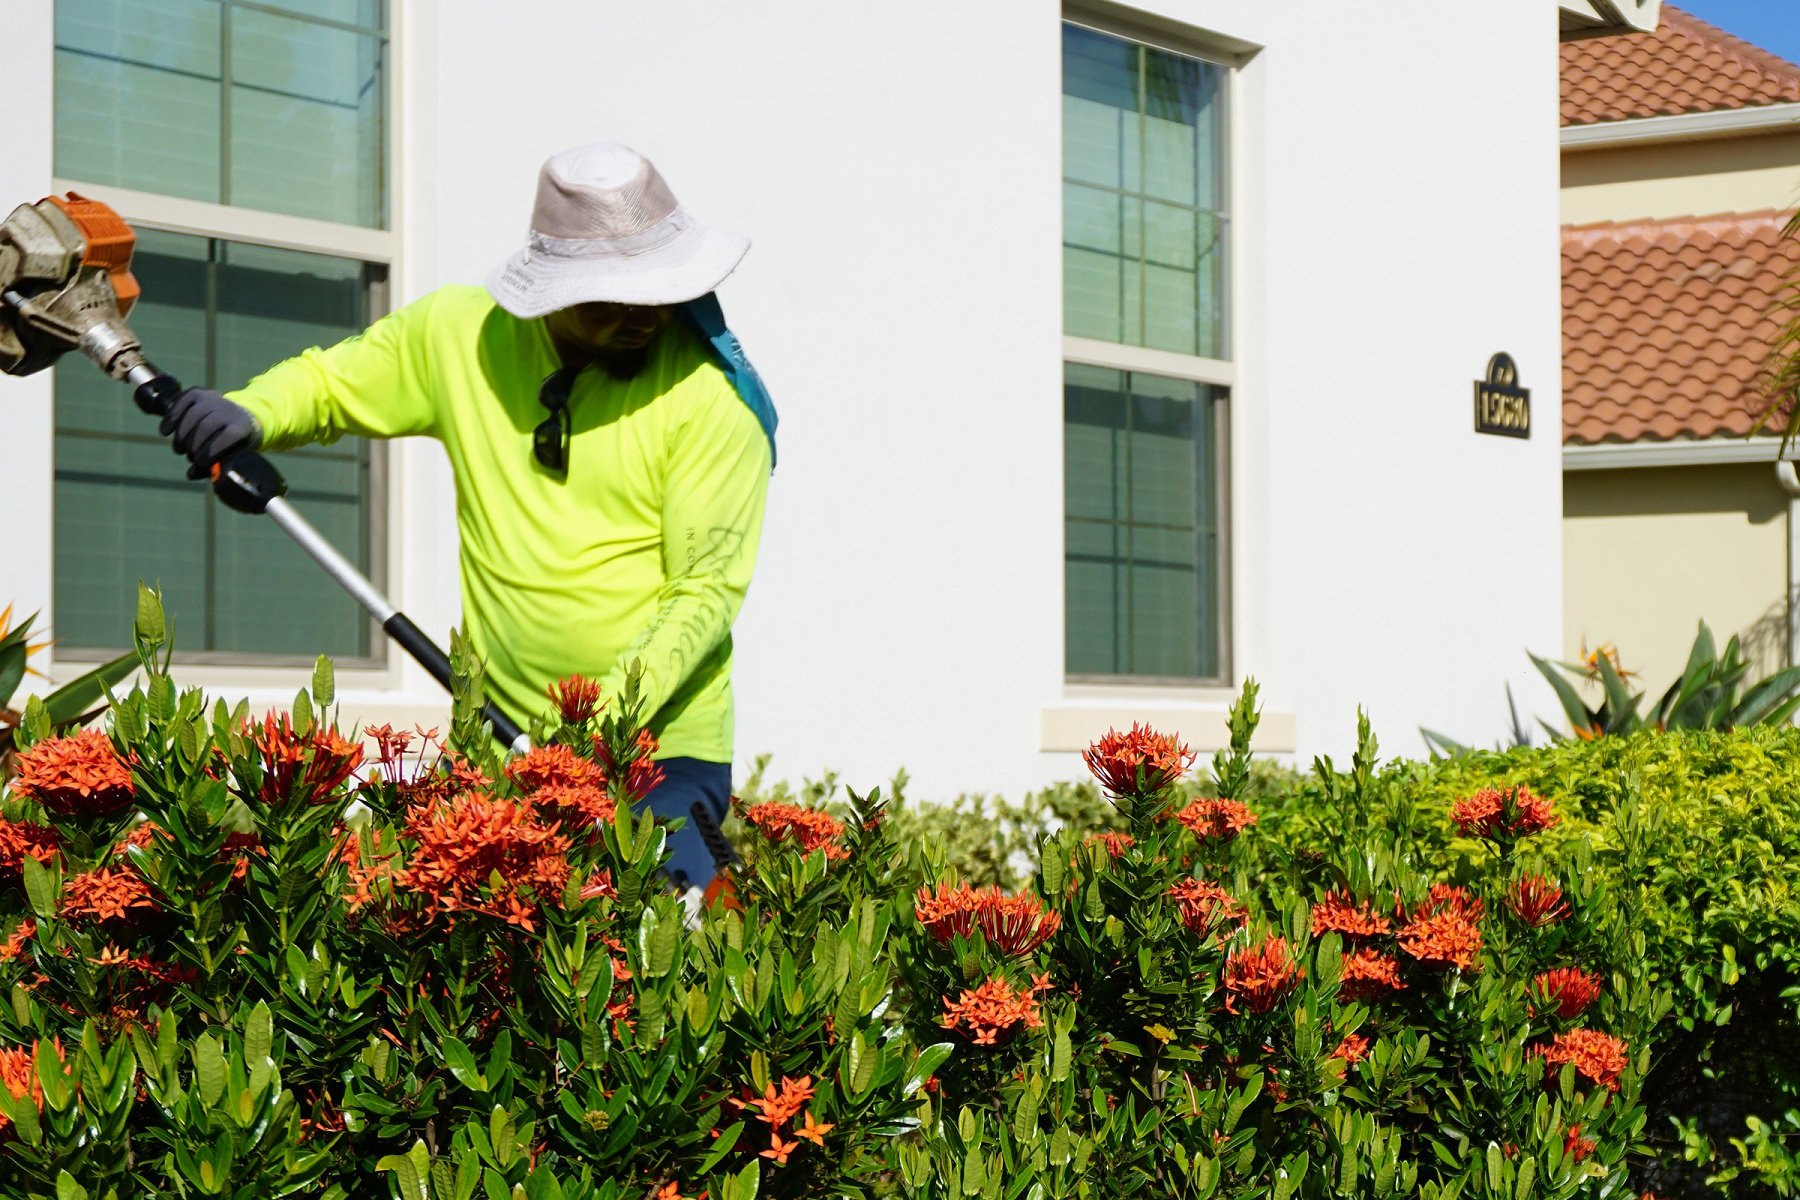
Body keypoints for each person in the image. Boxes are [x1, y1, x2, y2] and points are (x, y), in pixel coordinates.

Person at [158, 143, 776, 890]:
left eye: (655, 292)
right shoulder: (465, 337)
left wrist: (588, 732)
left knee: (648, 977)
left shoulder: (713, 401)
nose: (642, 317)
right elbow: (332, 382)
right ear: (551, 292)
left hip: (658, 752)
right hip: (492, 741)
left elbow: (701, 595)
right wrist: (249, 414)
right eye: (612, 300)